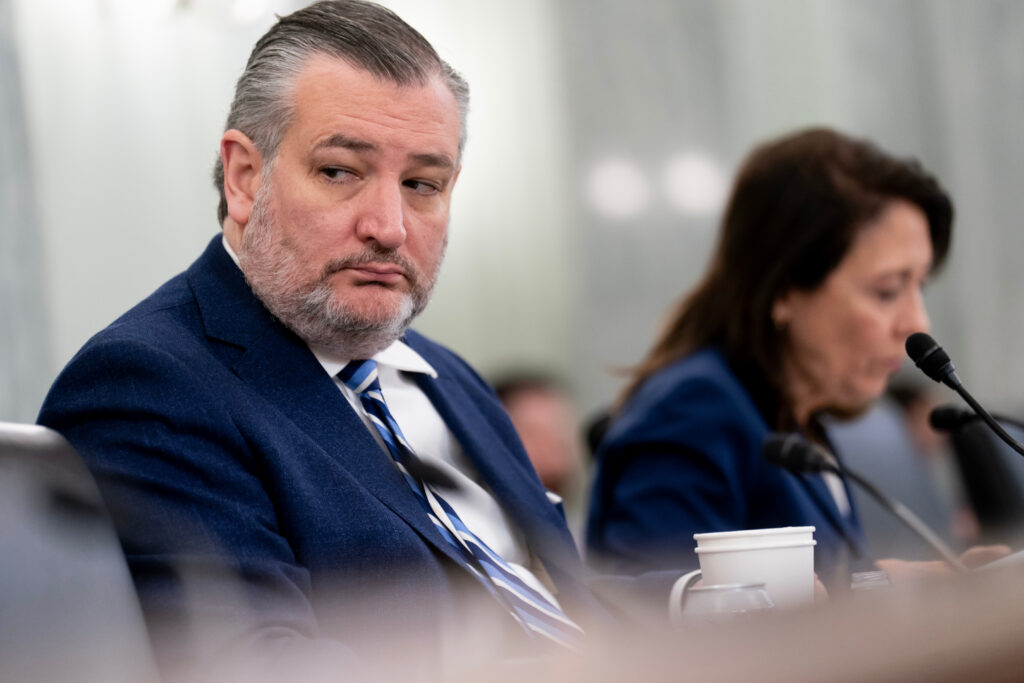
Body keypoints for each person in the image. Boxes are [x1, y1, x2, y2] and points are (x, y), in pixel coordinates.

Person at [38, 2, 660, 679]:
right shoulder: (148, 386)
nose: (389, 227)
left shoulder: (446, 377)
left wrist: (704, 602)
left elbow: (558, 600)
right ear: (245, 178)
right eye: (340, 171)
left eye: (422, 184)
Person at [586, 127, 989, 589]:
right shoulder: (694, 410)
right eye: (887, 291)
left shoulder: (794, 416)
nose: (917, 322)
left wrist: (913, 584)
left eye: (919, 287)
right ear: (783, 290)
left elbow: (819, 591)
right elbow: (651, 609)